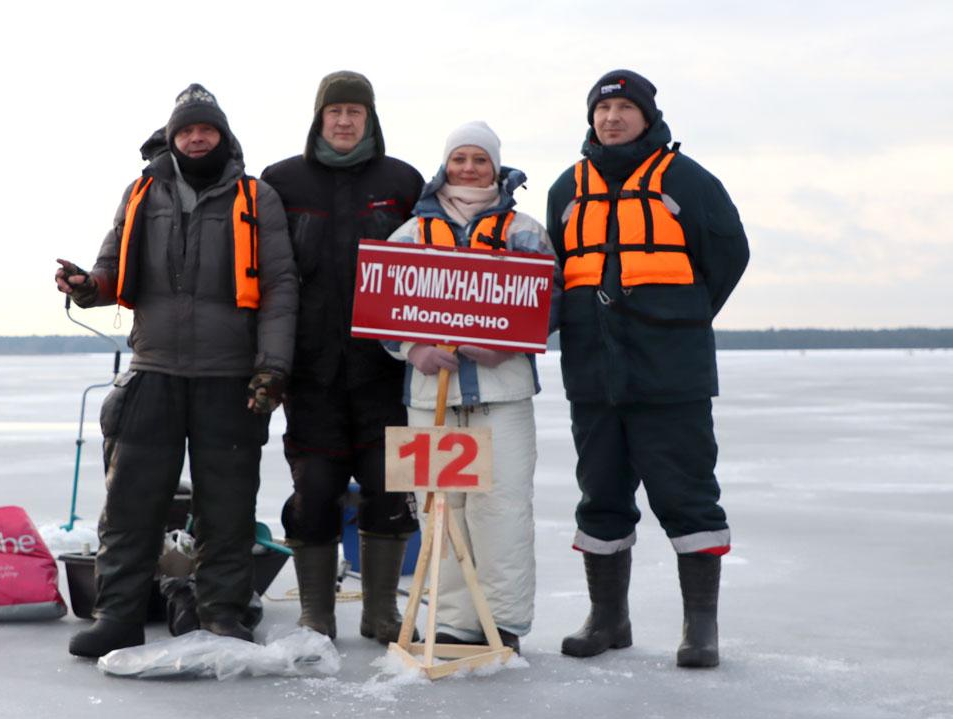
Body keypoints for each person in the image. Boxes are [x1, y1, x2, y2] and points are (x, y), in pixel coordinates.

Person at [54, 83, 297, 657]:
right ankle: (118, 615)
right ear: (172, 137)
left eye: (205, 129)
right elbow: (111, 271)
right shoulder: (141, 193)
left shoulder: (256, 198)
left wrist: (272, 368)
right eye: (186, 130)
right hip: (154, 369)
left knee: (228, 508)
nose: (195, 137)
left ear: (222, 136)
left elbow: (282, 288)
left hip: (230, 375)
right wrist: (88, 287)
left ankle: (221, 613)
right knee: (131, 504)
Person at [546, 70, 749, 668]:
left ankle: (701, 628)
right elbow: (551, 274)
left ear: (646, 115)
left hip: (671, 376)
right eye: (603, 109)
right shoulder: (566, 189)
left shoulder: (685, 179)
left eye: (624, 108)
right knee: (601, 497)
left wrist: (680, 317)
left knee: (688, 498)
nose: (612, 118)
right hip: (592, 375)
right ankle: (608, 619)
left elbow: (728, 255)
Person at [382, 121, 559, 654]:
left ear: (496, 167)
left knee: (500, 507)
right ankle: (454, 619)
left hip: (501, 398)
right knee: (439, 505)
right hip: (428, 397)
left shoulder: (523, 230)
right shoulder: (411, 233)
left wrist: (509, 342)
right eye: (459, 158)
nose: (468, 168)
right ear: (444, 165)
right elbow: (382, 310)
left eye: (479, 159)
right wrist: (413, 350)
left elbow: (549, 302)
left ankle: (501, 621)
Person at [261, 71, 423, 643]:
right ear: (319, 118)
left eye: (356, 111)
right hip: (312, 372)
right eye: (336, 112)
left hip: (386, 372)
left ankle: (380, 612)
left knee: (390, 490)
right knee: (314, 492)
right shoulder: (282, 182)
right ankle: (316, 615)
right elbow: (264, 276)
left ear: (371, 117)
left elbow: (435, 262)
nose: (345, 121)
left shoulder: (402, 181)